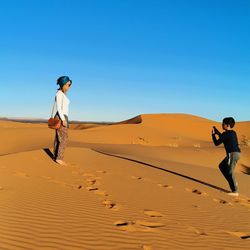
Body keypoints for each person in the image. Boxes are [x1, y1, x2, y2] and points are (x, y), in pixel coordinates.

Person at [212, 117, 241, 196]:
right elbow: (225, 139)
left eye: (223, 123)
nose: (222, 125)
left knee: (230, 171)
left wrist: (213, 135)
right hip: (236, 153)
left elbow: (217, 143)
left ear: (227, 125)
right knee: (222, 166)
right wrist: (218, 133)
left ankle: (235, 191)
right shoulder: (233, 132)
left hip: (232, 154)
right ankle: (233, 182)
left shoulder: (225, 134)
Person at [53, 76, 72, 166]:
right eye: (68, 84)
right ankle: (59, 158)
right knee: (64, 138)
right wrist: (63, 119)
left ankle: (55, 156)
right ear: (63, 84)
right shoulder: (59, 94)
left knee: (59, 138)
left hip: (63, 117)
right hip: (61, 117)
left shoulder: (62, 94)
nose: (69, 86)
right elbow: (59, 109)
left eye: (70, 84)